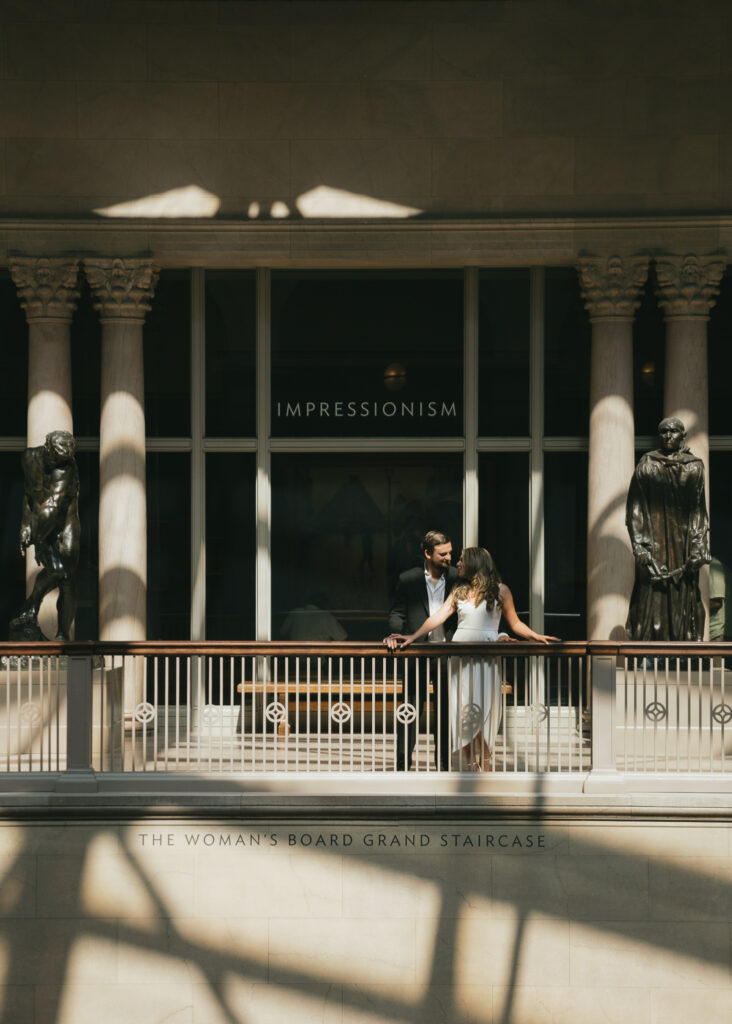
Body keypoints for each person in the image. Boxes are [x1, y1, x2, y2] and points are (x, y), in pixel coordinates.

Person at [385, 547, 558, 771]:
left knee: (486, 707)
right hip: (461, 656)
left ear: (475, 563)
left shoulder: (501, 591)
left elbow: (514, 623)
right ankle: (469, 764)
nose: (457, 564)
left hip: (487, 656)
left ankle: (485, 763)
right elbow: (438, 616)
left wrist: (535, 636)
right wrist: (413, 636)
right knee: (462, 707)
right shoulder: (459, 590)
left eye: (462, 560)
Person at [626, 417, 711, 641]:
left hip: (683, 541)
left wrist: (699, 544)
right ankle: (649, 648)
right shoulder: (646, 464)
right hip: (654, 540)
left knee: (685, 591)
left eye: (673, 431)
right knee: (651, 593)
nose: (668, 436)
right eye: (663, 432)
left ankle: (685, 648)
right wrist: (640, 545)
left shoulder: (694, 466)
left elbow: (698, 508)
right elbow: (635, 507)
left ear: (682, 435)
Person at [384, 530, 458, 771]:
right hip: (416, 654)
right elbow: (397, 612)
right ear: (427, 553)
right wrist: (396, 634)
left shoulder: (458, 578)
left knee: (445, 712)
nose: (449, 557)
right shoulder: (408, 579)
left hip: (447, 655)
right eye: (443, 553)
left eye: (450, 552)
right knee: (410, 709)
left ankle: (443, 765)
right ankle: (403, 765)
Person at [9, 430, 80, 642]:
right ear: (47, 448)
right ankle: (29, 611)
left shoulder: (66, 469)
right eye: (56, 458)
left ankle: (62, 635)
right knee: (59, 572)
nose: (59, 463)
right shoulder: (30, 457)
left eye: (63, 460)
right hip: (41, 520)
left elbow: (52, 506)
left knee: (66, 577)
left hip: (65, 521)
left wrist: (38, 541)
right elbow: (30, 495)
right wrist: (25, 526)